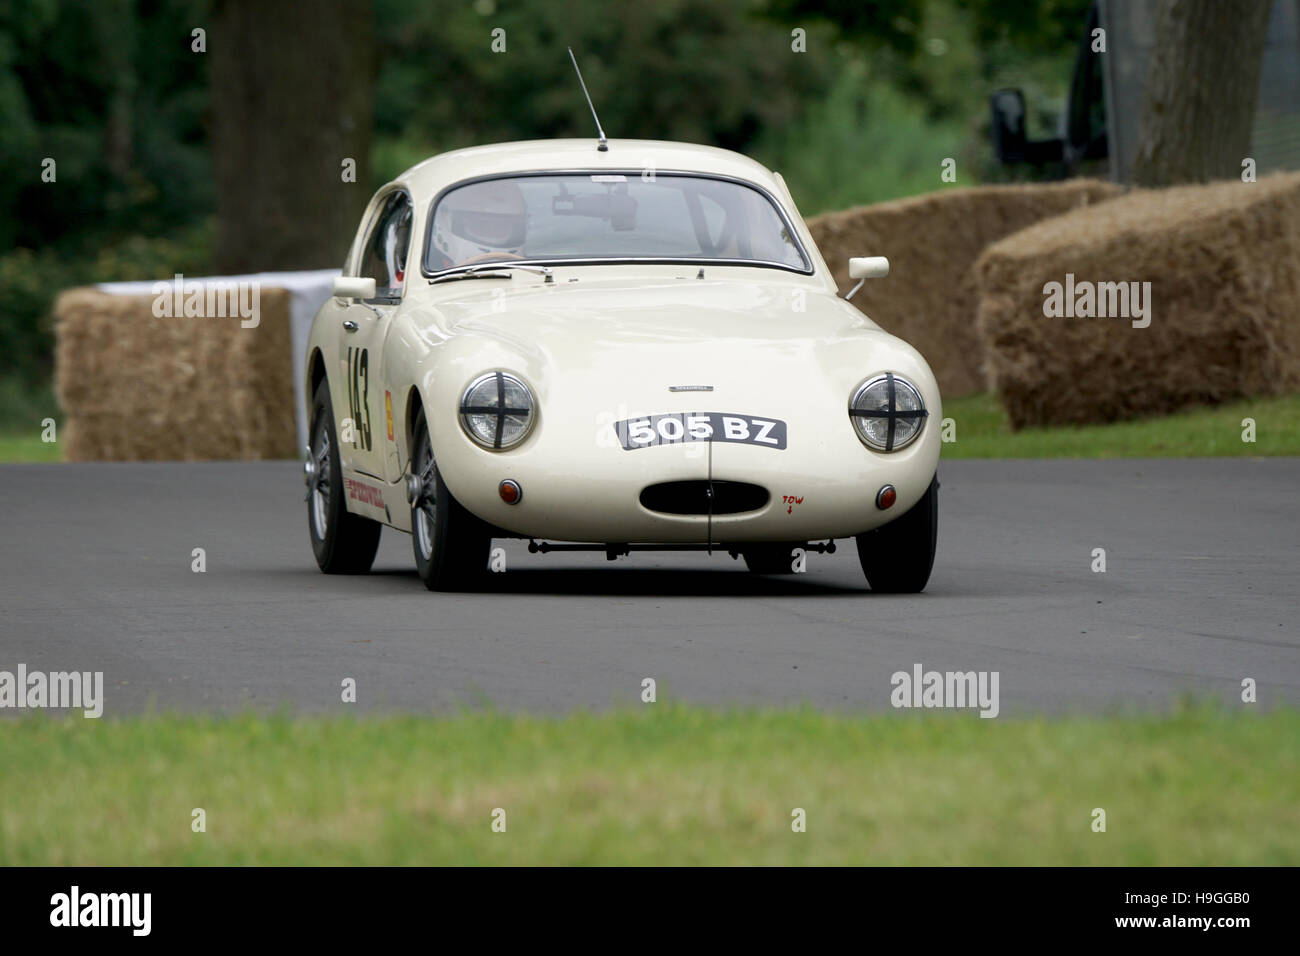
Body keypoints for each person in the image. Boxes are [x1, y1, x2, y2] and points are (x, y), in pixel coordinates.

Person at [429, 179, 528, 269]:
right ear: (446, 223)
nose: (492, 233)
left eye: (502, 226)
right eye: (481, 225)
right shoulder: (426, 268)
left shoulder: (535, 270)